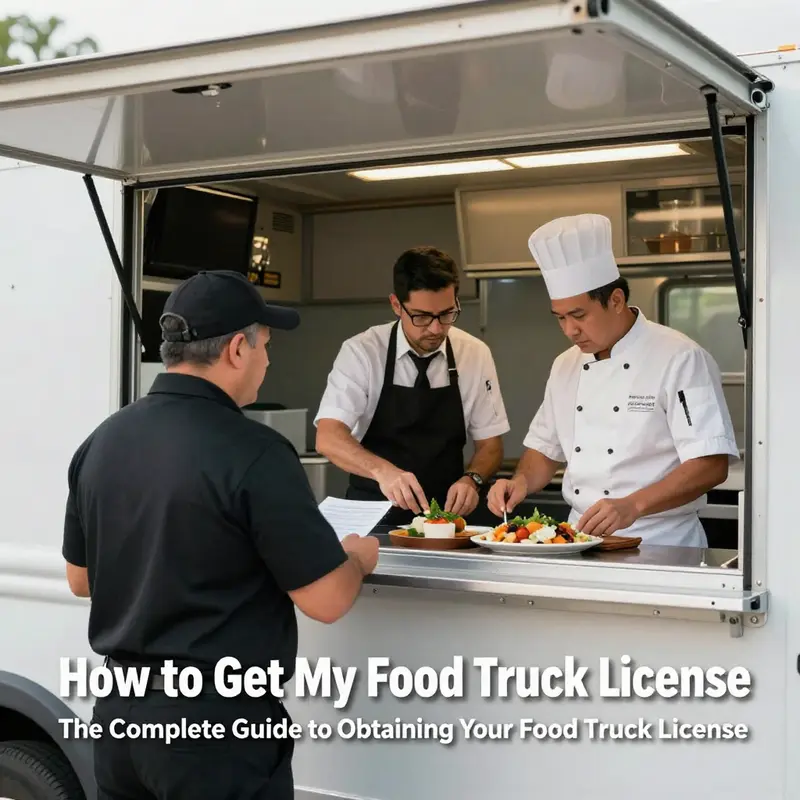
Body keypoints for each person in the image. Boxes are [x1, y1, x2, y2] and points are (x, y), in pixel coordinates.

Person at [62, 270, 379, 799]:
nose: (268, 361)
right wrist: (357, 558)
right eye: (266, 346)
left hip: (119, 719)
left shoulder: (102, 440)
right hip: (215, 730)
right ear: (237, 349)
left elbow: (81, 580)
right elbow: (327, 600)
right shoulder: (257, 452)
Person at [487, 214, 739, 547]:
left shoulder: (680, 358)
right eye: (560, 318)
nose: (569, 330)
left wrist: (632, 505)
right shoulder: (565, 365)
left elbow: (711, 464)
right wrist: (520, 481)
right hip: (578, 540)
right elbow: (545, 450)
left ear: (616, 300)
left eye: (579, 315)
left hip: (661, 541)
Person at [314, 246, 510, 525]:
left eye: (447, 314)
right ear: (396, 305)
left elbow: (491, 444)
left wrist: (473, 479)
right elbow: (328, 437)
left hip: (446, 519)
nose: (436, 329)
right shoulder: (362, 352)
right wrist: (383, 472)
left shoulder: (474, 353)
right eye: (421, 316)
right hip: (373, 515)